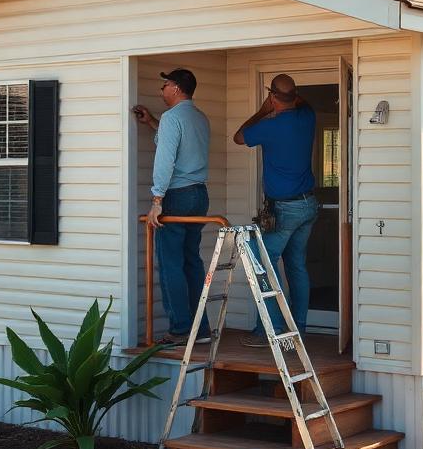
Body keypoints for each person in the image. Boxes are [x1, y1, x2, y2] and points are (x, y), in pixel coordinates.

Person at [233, 73, 319, 348]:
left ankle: (272, 330)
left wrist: (262, 110)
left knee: (263, 264)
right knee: (296, 265)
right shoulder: (307, 117)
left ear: (272, 97)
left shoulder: (270, 125)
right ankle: (299, 329)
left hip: (285, 207)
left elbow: (239, 137)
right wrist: (287, 96)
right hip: (308, 204)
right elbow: (301, 101)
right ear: (294, 96)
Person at [133, 68, 212, 346]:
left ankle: (179, 329)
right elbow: (181, 143)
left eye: (165, 84)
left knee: (170, 263)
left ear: (177, 88)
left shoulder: (172, 118)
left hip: (177, 196)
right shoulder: (198, 117)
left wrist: (157, 201)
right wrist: (152, 122)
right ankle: (200, 328)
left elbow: (165, 159)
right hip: (199, 195)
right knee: (191, 259)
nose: (161, 90)